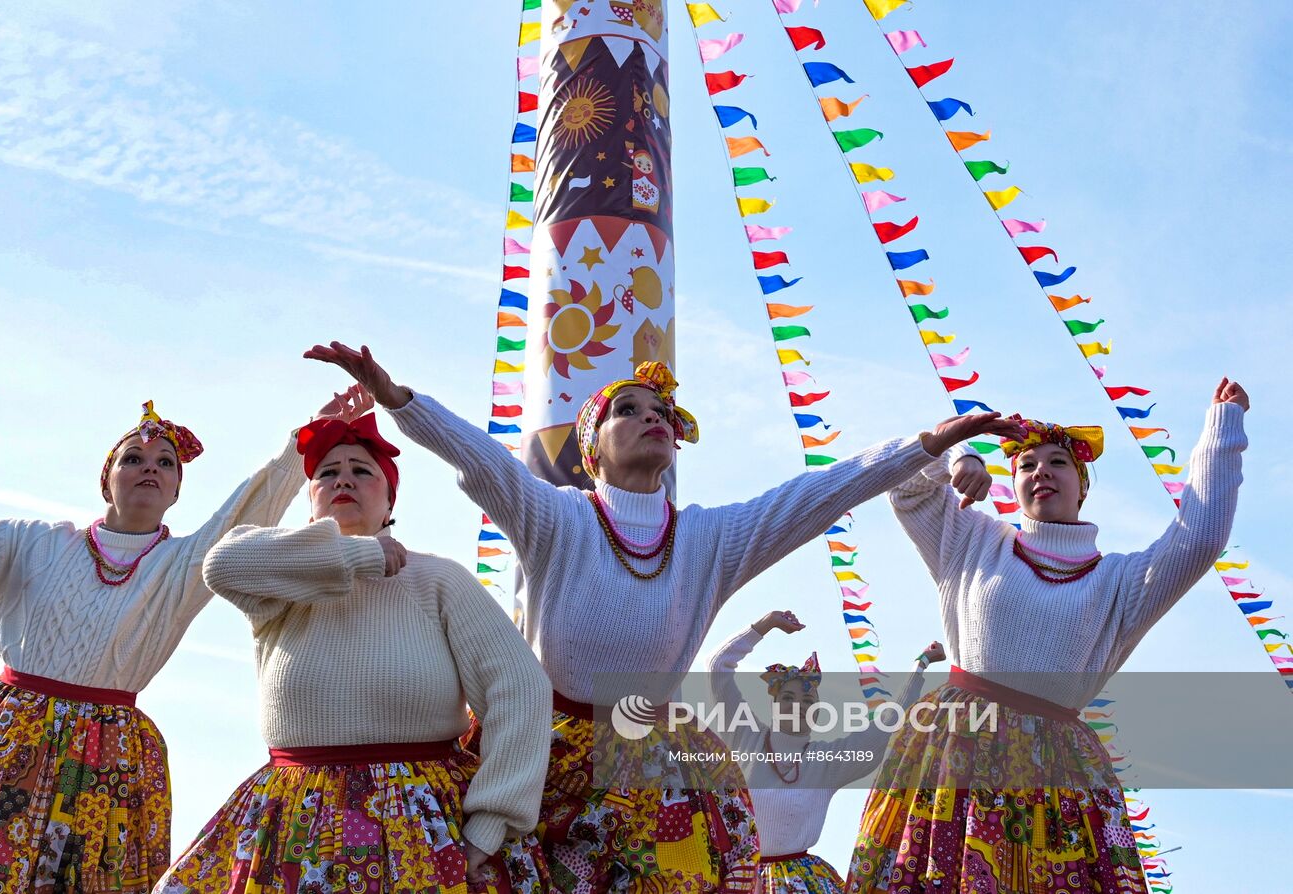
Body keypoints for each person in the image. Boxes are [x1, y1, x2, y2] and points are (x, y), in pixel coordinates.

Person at [304, 341, 1021, 893]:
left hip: (655, 758)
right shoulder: (557, 516)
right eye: (628, 410)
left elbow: (820, 495)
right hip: (539, 753)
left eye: (662, 413)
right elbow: (483, 462)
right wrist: (396, 398)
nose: (652, 417)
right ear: (591, 453)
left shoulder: (712, 537)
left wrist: (923, 447)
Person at [848, 378, 1250, 893]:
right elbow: (905, 487)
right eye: (1026, 464)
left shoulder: (1123, 582)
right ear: (1011, 483)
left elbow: (1202, 535)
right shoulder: (972, 538)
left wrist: (1223, 429)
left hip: (1056, 769)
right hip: (952, 753)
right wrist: (956, 452)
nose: (1041, 472)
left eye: (1058, 462)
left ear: (1082, 484)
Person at [0, 398, 312, 894]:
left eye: (165, 464)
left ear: (177, 491)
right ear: (107, 478)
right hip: (2, 739)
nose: (149, 469)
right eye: (132, 459)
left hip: (106, 754)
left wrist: (301, 445)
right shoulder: (41, 542)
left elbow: (250, 510)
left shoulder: (183, 565)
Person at [153, 390, 552, 894]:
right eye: (326, 473)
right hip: (298, 820)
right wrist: (358, 556)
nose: (342, 477)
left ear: (390, 501)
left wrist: (491, 823)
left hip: (424, 823)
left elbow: (521, 690)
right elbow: (220, 563)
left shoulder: (439, 580)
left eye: (362, 471)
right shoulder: (281, 581)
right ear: (311, 501)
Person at [710, 610, 944, 894]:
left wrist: (920, 666)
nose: (798, 705)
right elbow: (718, 668)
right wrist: (765, 624)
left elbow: (885, 727)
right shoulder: (747, 735)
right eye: (788, 698)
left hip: (801, 883)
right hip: (738, 878)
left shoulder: (828, 761)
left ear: (819, 710)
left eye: (807, 699)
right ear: (774, 703)